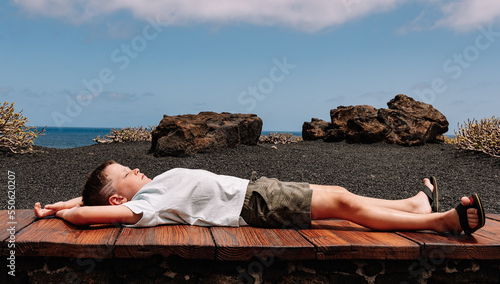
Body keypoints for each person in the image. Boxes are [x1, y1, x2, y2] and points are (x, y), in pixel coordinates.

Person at [34, 160, 486, 235]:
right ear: (117, 199)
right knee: (346, 211)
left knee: (342, 193)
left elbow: (89, 201)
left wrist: (63, 203)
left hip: (255, 190)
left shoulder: (144, 191)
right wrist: (72, 214)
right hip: (255, 206)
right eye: (125, 173)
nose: (135, 169)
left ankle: (413, 206)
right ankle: (440, 222)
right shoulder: (144, 204)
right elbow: (97, 213)